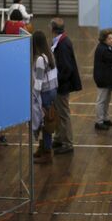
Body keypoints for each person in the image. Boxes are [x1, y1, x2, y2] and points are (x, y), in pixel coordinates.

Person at [50, 18, 82, 154]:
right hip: (61, 83)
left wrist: (57, 81)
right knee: (58, 113)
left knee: (63, 114)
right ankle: (58, 138)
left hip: (62, 85)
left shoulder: (62, 44)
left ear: (52, 29)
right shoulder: (62, 41)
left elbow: (66, 68)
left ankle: (68, 143)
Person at [32, 31, 58, 164]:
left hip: (45, 92)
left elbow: (39, 81)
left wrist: (35, 96)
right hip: (52, 90)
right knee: (47, 120)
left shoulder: (40, 60)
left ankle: (47, 153)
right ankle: (43, 147)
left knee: (46, 123)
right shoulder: (49, 54)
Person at [93, 29, 112, 130]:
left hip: (108, 78)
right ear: (104, 39)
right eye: (109, 38)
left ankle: (105, 118)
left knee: (107, 100)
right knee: (101, 100)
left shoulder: (107, 47)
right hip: (103, 78)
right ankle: (99, 121)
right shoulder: (103, 49)